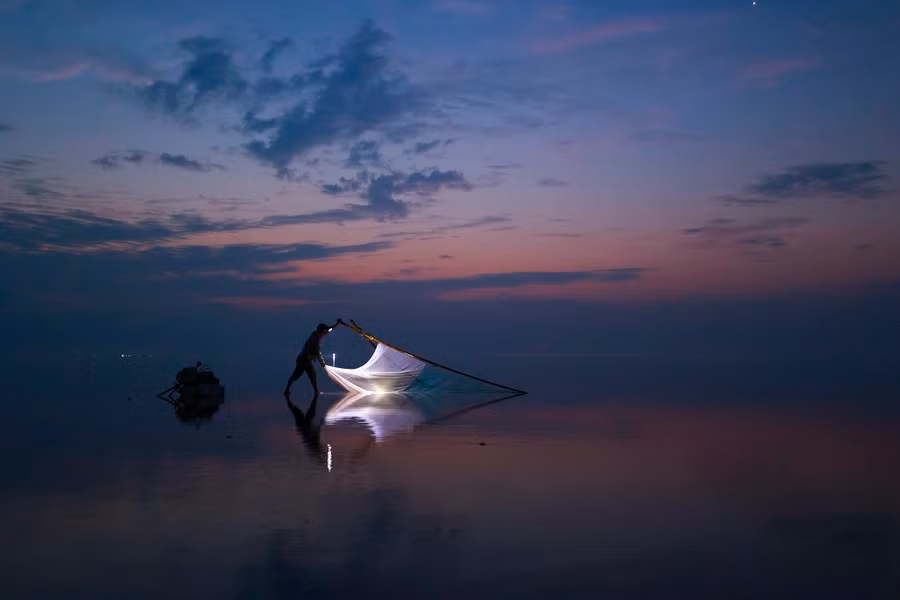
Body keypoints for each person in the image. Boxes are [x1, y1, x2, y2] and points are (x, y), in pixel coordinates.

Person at [284, 321, 340, 396]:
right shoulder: (314, 340)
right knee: (297, 375)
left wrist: (337, 324)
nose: (326, 333)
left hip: (307, 360)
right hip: (303, 360)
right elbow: (317, 353)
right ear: (321, 331)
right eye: (324, 331)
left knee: (312, 375)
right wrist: (322, 362)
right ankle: (287, 389)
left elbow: (329, 329)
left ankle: (316, 391)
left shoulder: (317, 334)